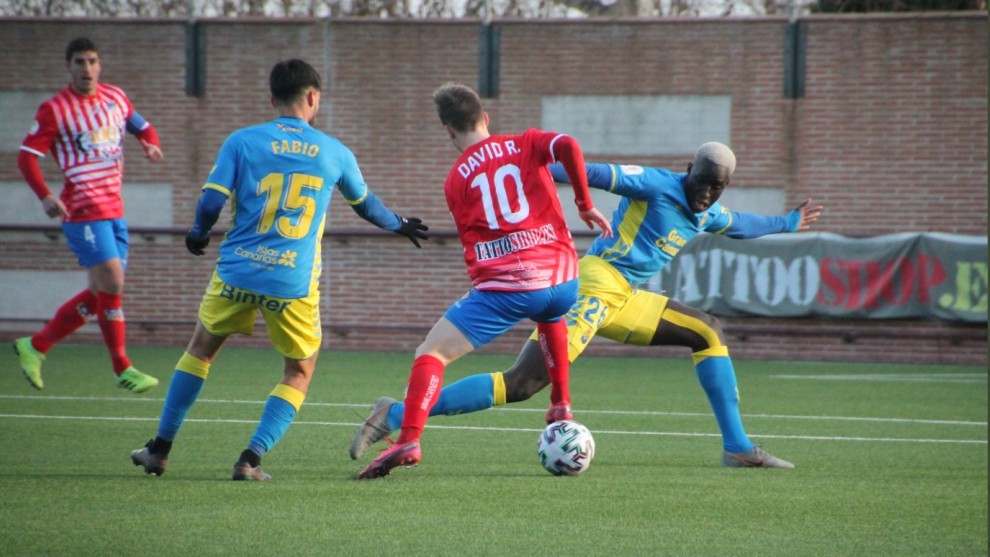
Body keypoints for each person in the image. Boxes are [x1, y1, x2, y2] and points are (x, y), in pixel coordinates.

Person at [352, 141, 824, 469]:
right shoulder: (656, 184)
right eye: (701, 181)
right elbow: (591, 172)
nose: (705, 193)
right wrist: (533, 171)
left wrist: (789, 220)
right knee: (523, 384)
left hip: (626, 298)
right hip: (596, 284)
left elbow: (741, 224)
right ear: (689, 169)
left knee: (707, 330)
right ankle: (394, 415)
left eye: (715, 187)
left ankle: (738, 447)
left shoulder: (709, 210)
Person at [129, 58, 428, 481]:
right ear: (313, 97)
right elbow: (368, 207)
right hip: (291, 283)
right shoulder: (334, 152)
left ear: (272, 99)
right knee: (298, 370)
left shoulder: (242, 141)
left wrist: (198, 233)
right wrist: (400, 224)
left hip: (236, 273)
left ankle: (159, 449)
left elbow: (212, 201)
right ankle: (249, 460)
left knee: (199, 351)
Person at [355, 83, 613, 479]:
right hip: (562, 281)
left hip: (510, 289)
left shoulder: (456, 179)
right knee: (552, 314)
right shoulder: (525, 143)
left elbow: (476, 246)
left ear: (448, 132)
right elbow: (569, 146)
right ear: (485, 118)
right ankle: (561, 403)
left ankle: (409, 437)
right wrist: (585, 204)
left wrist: (488, 283)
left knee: (433, 352)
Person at [13, 37, 164, 393]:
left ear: (100, 65)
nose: (87, 69)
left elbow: (142, 126)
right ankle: (122, 368)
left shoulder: (116, 98)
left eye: (92, 61)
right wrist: (46, 196)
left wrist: (150, 143)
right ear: (69, 66)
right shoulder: (55, 109)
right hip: (82, 210)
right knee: (112, 284)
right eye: (79, 62)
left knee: (100, 296)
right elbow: (26, 156)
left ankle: (35, 347)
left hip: (115, 211)